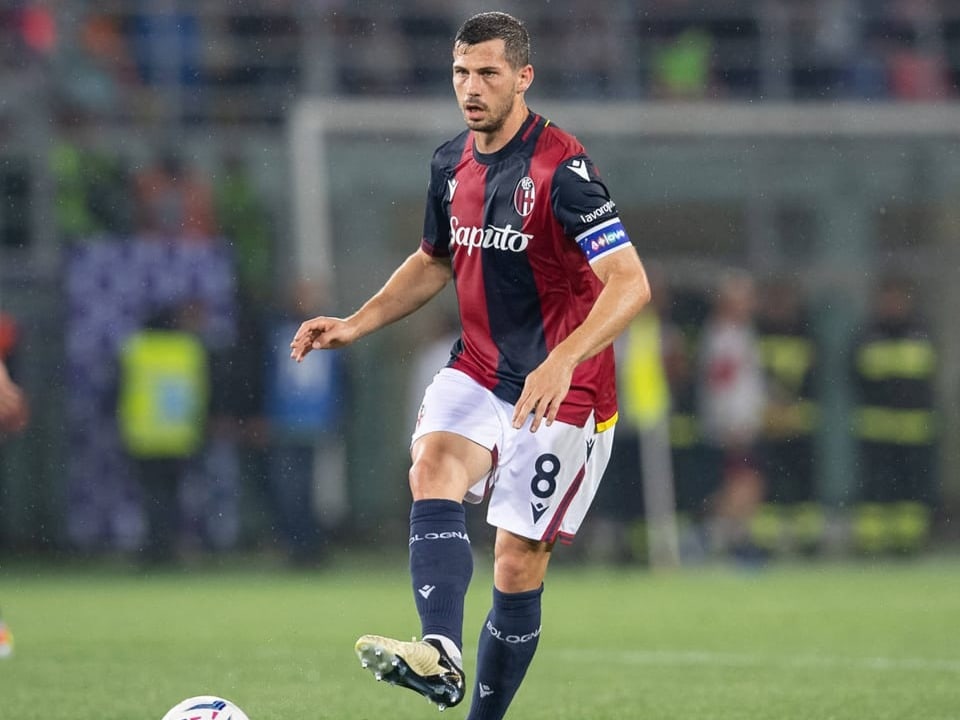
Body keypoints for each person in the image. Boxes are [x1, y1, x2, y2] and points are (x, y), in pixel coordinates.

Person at [290, 11, 649, 718]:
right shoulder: (449, 162)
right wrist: (355, 323)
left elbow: (631, 283)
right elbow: (434, 261)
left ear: (523, 77)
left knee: (516, 565)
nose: (471, 86)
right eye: (461, 71)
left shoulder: (564, 171)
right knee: (431, 469)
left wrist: (563, 360)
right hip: (481, 367)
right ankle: (442, 653)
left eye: (488, 72)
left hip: (566, 393)